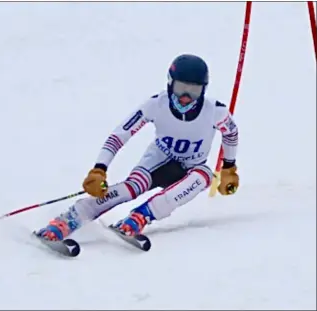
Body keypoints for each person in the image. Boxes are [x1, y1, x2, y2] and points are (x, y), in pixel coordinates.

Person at [36, 54, 239, 241]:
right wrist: (100, 169)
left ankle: (141, 216)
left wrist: (229, 168)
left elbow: (231, 133)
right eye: (180, 88)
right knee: (132, 187)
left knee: (203, 176)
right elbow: (120, 134)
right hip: (159, 160)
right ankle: (71, 218)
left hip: (192, 168)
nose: (185, 97)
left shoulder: (215, 111)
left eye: (194, 91)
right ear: (170, 84)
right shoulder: (156, 105)